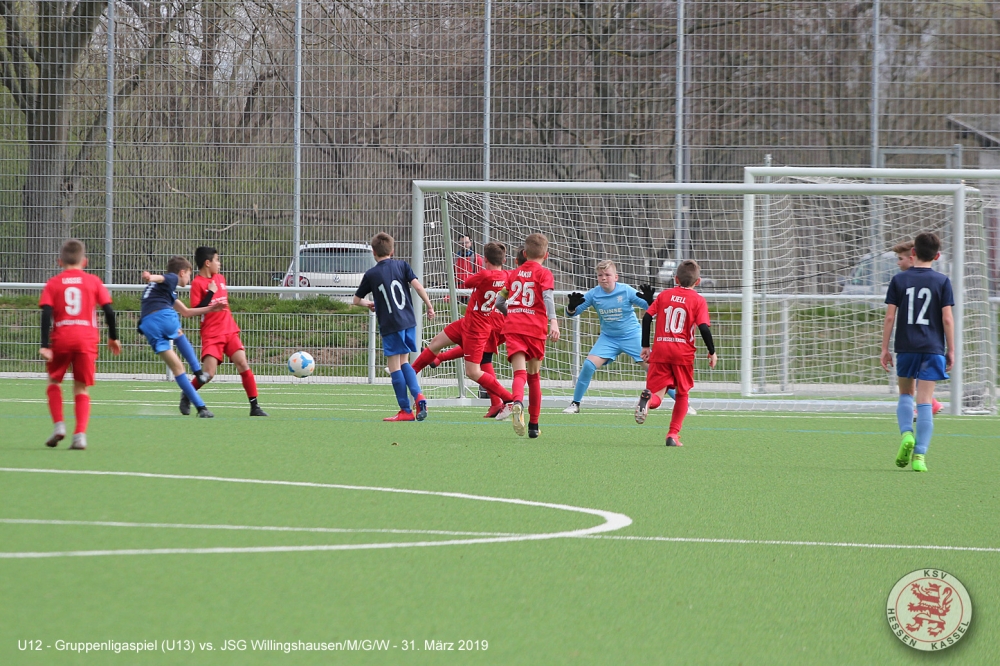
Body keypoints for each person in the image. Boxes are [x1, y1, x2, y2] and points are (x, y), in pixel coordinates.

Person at [880, 232, 954, 473]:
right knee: (924, 402)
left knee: (905, 394)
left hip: (906, 347)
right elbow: (947, 319)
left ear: (913, 253)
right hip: (933, 349)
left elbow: (890, 317)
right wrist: (951, 350)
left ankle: (906, 435)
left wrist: (884, 348)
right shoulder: (942, 281)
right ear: (937, 256)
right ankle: (920, 456)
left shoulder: (899, 280)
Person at [38, 239, 122, 450]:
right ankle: (80, 435)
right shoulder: (93, 281)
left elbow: (46, 313)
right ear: (85, 261)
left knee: (54, 381)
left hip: (62, 338)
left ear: (59, 261)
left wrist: (45, 345)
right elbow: (109, 311)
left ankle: (59, 425)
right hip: (86, 339)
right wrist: (113, 337)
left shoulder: (53, 283)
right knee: (81, 387)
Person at [411, 242, 515, 411]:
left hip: (478, 327)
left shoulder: (485, 275)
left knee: (473, 371)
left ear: (485, 259)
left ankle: (509, 400)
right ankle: (411, 372)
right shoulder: (507, 276)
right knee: (436, 342)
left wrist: (479, 273)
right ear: (503, 260)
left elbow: (466, 282)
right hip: (468, 322)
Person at [353, 232, 436, 422]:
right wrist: (429, 306)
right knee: (404, 362)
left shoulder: (371, 274)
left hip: (391, 324)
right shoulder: (402, 265)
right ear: (392, 251)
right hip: (408, 321)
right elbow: (418, 287)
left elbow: (356, 300)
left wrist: (368, 304)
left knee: (394, 367)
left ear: (373, 252)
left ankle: (405, 410)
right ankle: (419, 397)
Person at [635, 259, 717, 447]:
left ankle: (648, 401)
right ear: (698, 281)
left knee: (657, 394)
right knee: (682, 394)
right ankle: (672, 434)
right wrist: (712, 352)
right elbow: (704, 328)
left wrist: (645, 345)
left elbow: (647, 318)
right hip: (682, 354)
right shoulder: (698, 300)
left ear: (676, 279)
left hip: (661, 350)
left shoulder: (665, 295)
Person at [179, 246, 268, 417]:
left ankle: (255, 406)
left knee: (243, 364)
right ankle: (187, 394)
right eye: (217, 260)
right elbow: (196, 309)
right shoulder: (198, 283)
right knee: (208, 374)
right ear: (207, 263)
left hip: (229, 330)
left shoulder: (220, 278)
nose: (219, 263)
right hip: (212, 334)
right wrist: (210, 294)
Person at [562, 260, 656, 413]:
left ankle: (683, 403)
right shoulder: (594, 294)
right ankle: (575, 404)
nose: (603, 278)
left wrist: (650, 301)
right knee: (588, 365)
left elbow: (651, 309)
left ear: (616, 277)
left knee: (654, 370)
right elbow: (572, 313)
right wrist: (571, 307)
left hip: (632, 336)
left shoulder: (626, 291)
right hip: (608, 338)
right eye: (600, 275)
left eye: (607, 274)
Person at [139, 257, 224, 418]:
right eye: (189, 275)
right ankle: (198, 372)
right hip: (163, 317)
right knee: (179, 335)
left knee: (178, 369)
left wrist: (211, 309)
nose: (189, 279)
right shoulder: (172, 278)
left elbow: (186, 312)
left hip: (148, 325)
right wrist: (150, 276)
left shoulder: (163, 291)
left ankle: (201, 408)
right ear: (182, 272)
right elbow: (161, 277)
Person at [496, 234, 559, 438]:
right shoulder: (545, 273)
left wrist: (512, 314)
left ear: (524, 253)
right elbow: (547, 296)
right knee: (534, 376)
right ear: (546, 255)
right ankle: (533, 425)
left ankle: (517, 402)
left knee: (519, 374)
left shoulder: (513, 274)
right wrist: (553, 321)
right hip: (535, 329)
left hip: (514, 328)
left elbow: (499, 302)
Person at [891, 240, 943, 416]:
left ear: (913, 257)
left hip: (913, 342)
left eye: (901, 259)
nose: (898, 263)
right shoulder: (935, 280)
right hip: (930, 343)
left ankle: (921, 410)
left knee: (909, 385)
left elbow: (890, 316)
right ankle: (930, 403)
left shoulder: (903, 280)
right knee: (920, 377)